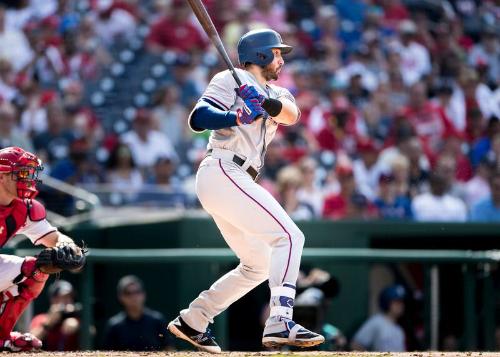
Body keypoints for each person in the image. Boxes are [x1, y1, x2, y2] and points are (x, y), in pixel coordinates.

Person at [167, 29, 324, 353]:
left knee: (258, 265)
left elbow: (291, 115)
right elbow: (198, 118)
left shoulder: (279, 92)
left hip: (236, 178)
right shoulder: (231, 77)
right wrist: (235, 114)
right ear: (262, 54)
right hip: (223, 168)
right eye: (277, 53)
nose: (281, 59)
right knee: (290, 237)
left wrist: (264, 103)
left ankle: (193, 320)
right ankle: (281, 319)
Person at [0, 146, 85, 352]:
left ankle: (2, 337)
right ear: (2, 175)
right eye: (21, 172)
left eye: (29, 172)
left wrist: (69, 249)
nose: (28, 178)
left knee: (39, 268)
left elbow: (57, 238)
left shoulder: (25, 208)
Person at [103, 275, 171, 351]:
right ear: (120, 297)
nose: (134, 297)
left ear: (144, 294)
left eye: (137, 292)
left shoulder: (157, 320)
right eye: (128, 293)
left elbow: (169, 349)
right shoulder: (114, 325)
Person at [350, 284, 406, 352]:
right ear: (387, 302)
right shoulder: (377, 321)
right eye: (397, 302)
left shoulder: (399, 330)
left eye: (401, 302)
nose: (401, 306)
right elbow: (355, 345)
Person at [30, 280, 81, 351]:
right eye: (62, 297)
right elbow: (30, 341)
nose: (66, 301)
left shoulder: (76, 318)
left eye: (69, 297)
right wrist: (48, 324)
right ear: (53, 299)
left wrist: (79, 326)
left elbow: (92, 333)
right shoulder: (41, 318)